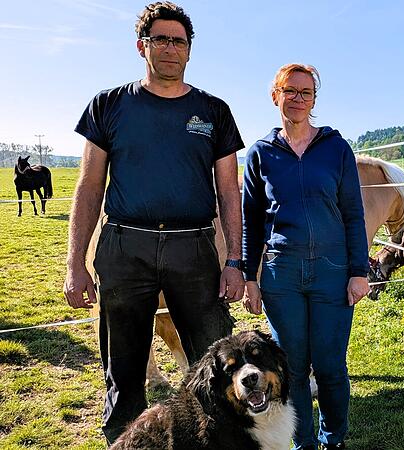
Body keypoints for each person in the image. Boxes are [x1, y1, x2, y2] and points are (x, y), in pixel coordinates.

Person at [62, 2, 245, 444]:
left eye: (178, 41)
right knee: (124, 372)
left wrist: (235, 259)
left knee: (213, 366)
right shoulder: (108, 106)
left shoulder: (214, 111)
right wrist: (75, 263)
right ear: (142, 45)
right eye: (160, 39)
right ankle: (125, 443)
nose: (169, 48)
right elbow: (88, 188)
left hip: (194, 249)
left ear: (189, 50)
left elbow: (228, 192)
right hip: (125, 249)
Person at [241, 63, 371, 450]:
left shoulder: (335, 149)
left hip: (332, 271)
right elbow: (251, 221)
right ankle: (303, 444)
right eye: (290, 91)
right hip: (282, 274)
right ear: (275, 95)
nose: (298, 99)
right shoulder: (261, 153)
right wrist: (251, 277)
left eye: (306, 93)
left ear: (314, 99)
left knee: (330, 366)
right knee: (292, 369)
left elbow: (353, 213)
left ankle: (333, 440)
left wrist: (358, 271)